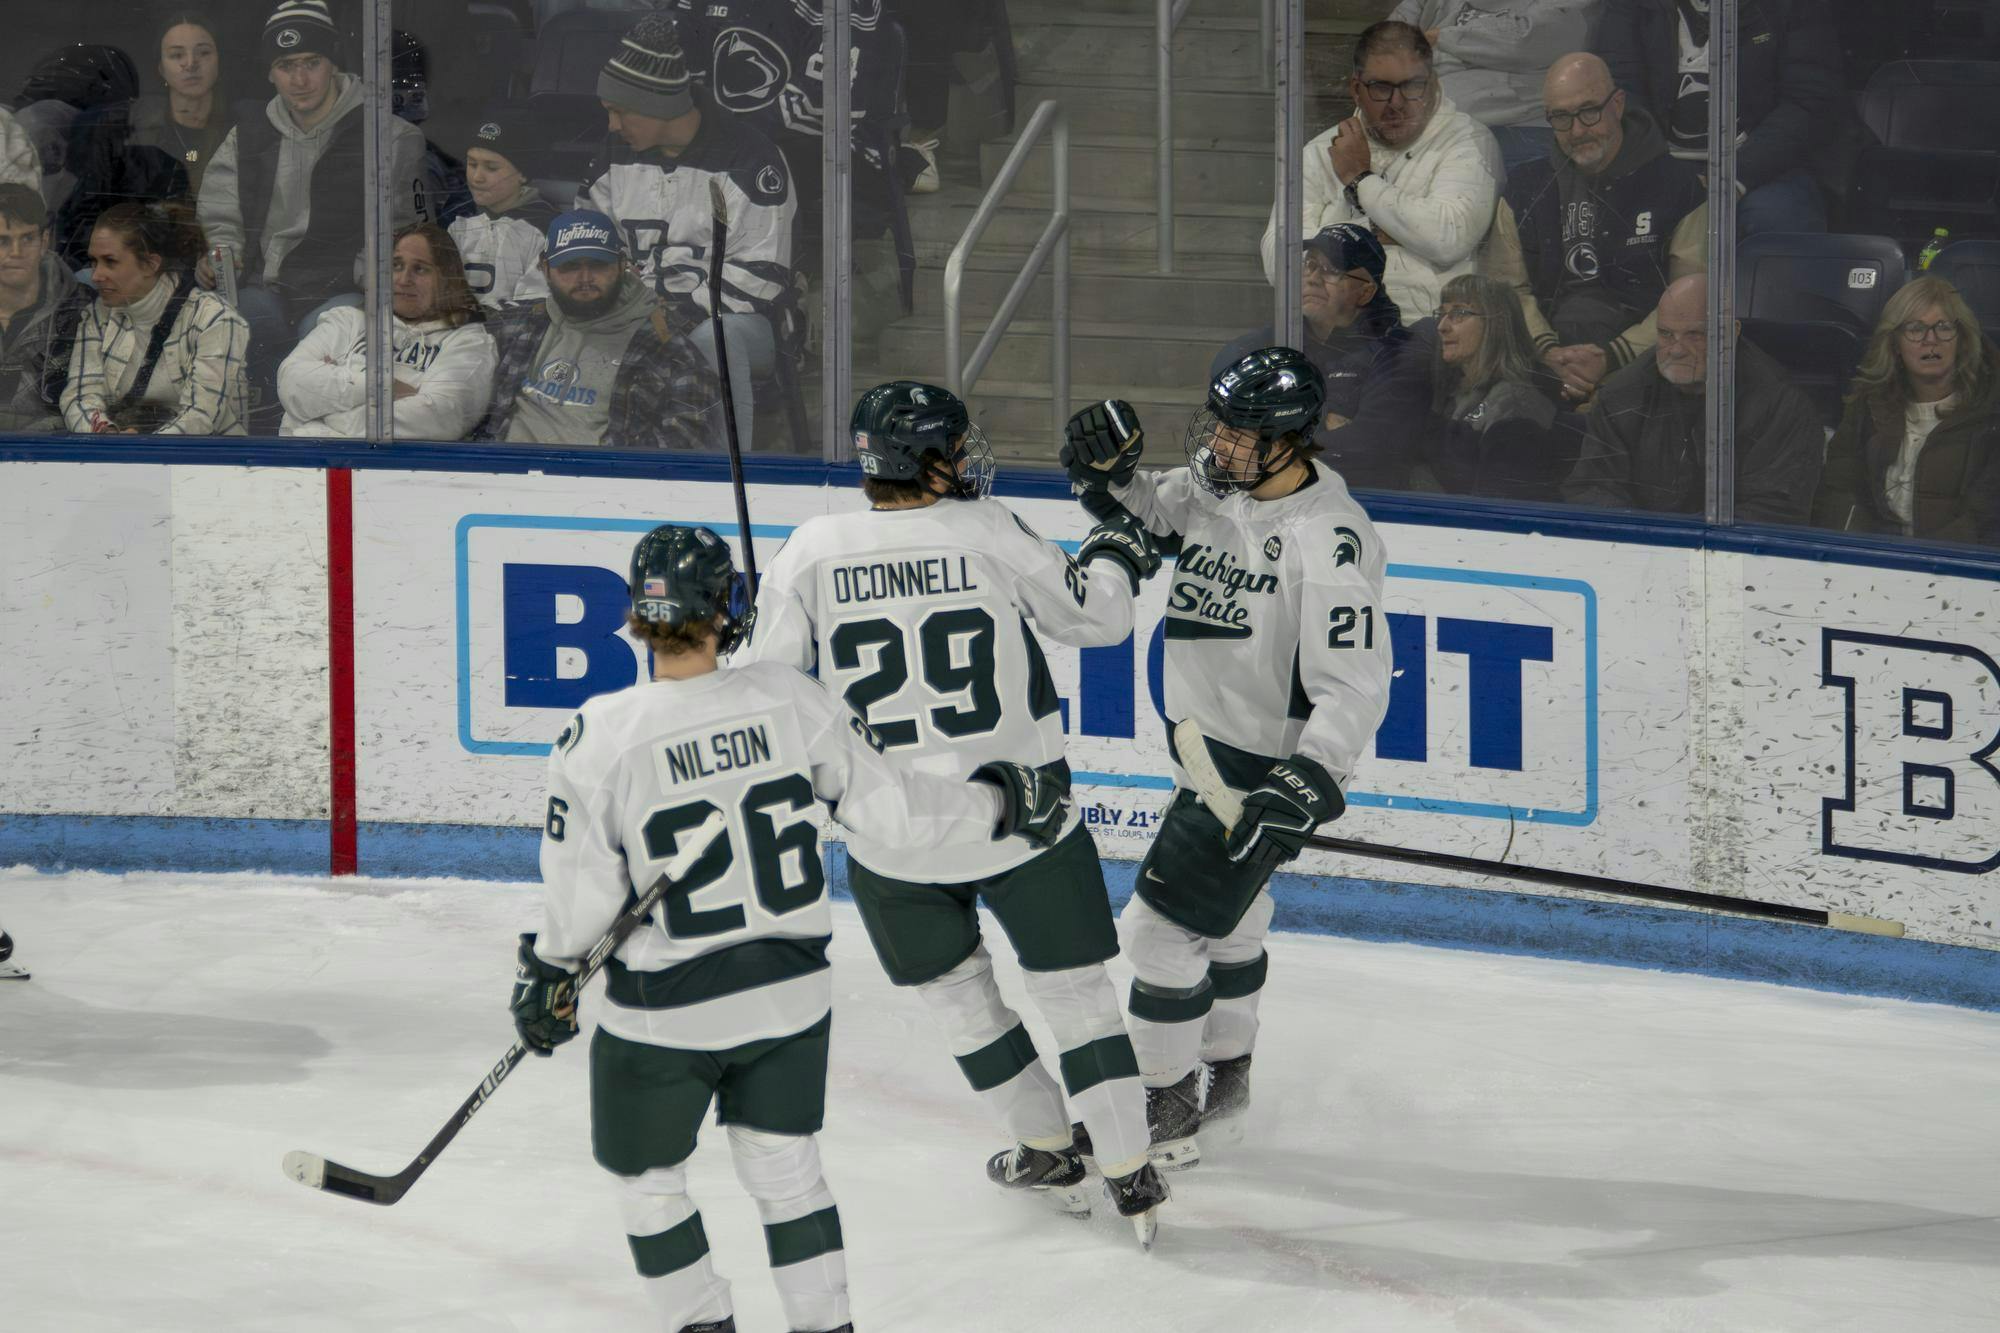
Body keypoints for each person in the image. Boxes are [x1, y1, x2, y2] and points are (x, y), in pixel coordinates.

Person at [513, 522, 1068, 1333]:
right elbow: (897, 815)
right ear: (726, 608)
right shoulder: (789, 698)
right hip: (790, 999)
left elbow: (579, 896)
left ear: (638, 614)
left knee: (650, 1183)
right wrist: (999, 800)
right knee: (789, 1176)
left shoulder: (600, 734)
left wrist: (551, 972)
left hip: (664, 1009)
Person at [734, 381, 1172, 1245]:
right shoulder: (984, 527)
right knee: (1078, 996)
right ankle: (1129, 1171)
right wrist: (1118, 548)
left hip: (894, 837)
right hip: (1023, 817)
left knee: (961, 1000)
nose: (970, 458)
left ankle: (1044, 1145)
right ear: (926, 459)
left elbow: (765, 694)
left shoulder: (811, 550)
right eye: (957, 446)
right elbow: (1097, 618)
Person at [1059, 349, 1394, 1168]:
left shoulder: (1331, 539)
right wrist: (1099, 472)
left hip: (1256, 767)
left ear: (1293, 441)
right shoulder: (1219, 486)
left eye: (1245, 434)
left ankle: (1162, 1108)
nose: (1222, 444)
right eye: (1221, 424)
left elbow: (1354, 684)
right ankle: (1227, 1085)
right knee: (1233, 925)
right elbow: (1145, 508)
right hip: (1203, 749)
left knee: (1158, 934)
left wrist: (1308, 776)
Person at [582, 13, 795, 450]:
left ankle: (720, 475)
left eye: (619, 112)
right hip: (634, 311)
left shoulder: (750, 157)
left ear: (658, 105)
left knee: (712, 338)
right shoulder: (611, 155)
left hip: (741, 321)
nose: (611, 125)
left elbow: (762, 276)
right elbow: (591, 243)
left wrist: (670, 310)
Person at [1482, 51, 1706, 408]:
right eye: (1560, 117)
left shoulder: (1680, 187)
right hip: (1542, 362)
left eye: (1589, 111)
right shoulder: (1525, 187)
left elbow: (1691, 299)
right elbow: (1506, 289)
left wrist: (1613, 356)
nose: (1576, 130)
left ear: (1617, 104)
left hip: (1643, 363)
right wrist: (1548, 352)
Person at [197, 0, 429, 333]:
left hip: (345, 292)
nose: (300, 79)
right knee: (232, 323)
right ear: (269, 73)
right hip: (264, 289)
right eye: (285, 65)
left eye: (312, 62)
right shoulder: (248, 136)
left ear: (332, 63)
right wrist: (222, 261)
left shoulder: (388, 137)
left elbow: (404, 235)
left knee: (331, 333)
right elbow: (220, 219)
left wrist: (366, 284)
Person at [1261, 20, 1502, 327]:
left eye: (1412, 86)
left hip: (1423, 327)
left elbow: (1447, 238)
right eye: (1381, 88)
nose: (1397, 103)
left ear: (1433, 84)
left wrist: (1360, 179)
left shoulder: (1470, 141)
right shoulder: (1320, 151)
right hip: (1328, 327)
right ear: (1356, 89)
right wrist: (1384, 232)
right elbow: (1277, 260)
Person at [1562, 273, 1822, 522]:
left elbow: (1774, 512)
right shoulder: (1623, 394)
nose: (1675, 350)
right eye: (1665, 334)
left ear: (1732, 332)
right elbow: (1591, 489)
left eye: (1694, 335)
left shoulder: (1781, 405)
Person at [475, 208, 720, 450]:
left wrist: (607, 466)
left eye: (598, 265)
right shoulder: (517, 324)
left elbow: (689, 440)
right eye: (569, 266)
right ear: (545, 268)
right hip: (500, 475)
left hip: (601, 482)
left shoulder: (666, 347)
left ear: (622, 264)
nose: (585, 278)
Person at [1597, 0, 1846, 235]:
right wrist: (1666, 174)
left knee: (1775, 220)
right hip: (1662, 165)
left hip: (1765, 167)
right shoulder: (1630, 6)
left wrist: (1737, 175)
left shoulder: (1791, 5)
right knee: (1625, 221)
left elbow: (1809, 101)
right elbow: (1619, 95)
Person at [1219, 223, 1430, 491]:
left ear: (1365, 291)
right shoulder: (1288, 333)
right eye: (1310, 265)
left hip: (1367, 503)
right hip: (1290, 494)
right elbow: (1226, 368)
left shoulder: (1397, 354)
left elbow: (1369, 446)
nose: (1313, 277)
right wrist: (1322, 417)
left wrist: (1270, 439)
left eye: (1332, 270)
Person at [1812, 276, 2000, 545]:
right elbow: (1841, 489)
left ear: (1962, 339)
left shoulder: (1992, 410)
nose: (1930, 340)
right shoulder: (1868, 403)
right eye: (1915, 329)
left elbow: (1986, 518)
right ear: (1895, 343)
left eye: (1943, 327)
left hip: (1960, 568)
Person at [277, 223, 495, 439]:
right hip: (300, 463)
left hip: (388, 469)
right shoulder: (348, 319)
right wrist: (387, 386)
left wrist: (325, 410)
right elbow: (291, 383)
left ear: (446, 279)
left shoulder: (469, 341)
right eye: (397, 265)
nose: (403, 280)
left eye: (420, 269)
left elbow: (440, 415)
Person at [60, 13, 237, 267]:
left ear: (219, 61)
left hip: (211, 267)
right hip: (137, 268)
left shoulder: (243, 130)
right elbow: (87, 216)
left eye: (203, 53)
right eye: (177, 55)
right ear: (161, 69)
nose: (191, 63)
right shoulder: (127, 131)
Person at [61, 199, 247, 435]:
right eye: (94, 261)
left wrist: (141, 447)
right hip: (121, 452)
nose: (96, 275)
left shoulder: (214, 319)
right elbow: (80, 396)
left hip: (204, 464)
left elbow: (201, 417)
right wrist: (106, 434)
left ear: (150, 264)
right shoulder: (98, 314)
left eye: (110, 261)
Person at [1386, 0, 1602, 176]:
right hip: (1426, 121)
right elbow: (1389, 42)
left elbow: (1529, 40)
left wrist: (1439, 38)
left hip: (1515, 127)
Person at [1416, 272, 1578, 500]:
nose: (1442, 326)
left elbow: (1502, 507)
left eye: (1459, 313)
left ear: (1497, 323)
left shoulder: (1517, 402)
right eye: (1441, 314)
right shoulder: (1454, 388)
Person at [448, 108, 557, 311]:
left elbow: (533, 308)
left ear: (522, 174)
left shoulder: (545, 230)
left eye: (491, 168)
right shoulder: (457, 223)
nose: (477, 177)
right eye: (472, 164)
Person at [0, 184, 89, 433]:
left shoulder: (81, 312)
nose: (15, 253)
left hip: (57, 458)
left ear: (44, 240)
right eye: (2, 241)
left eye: (27, 238)